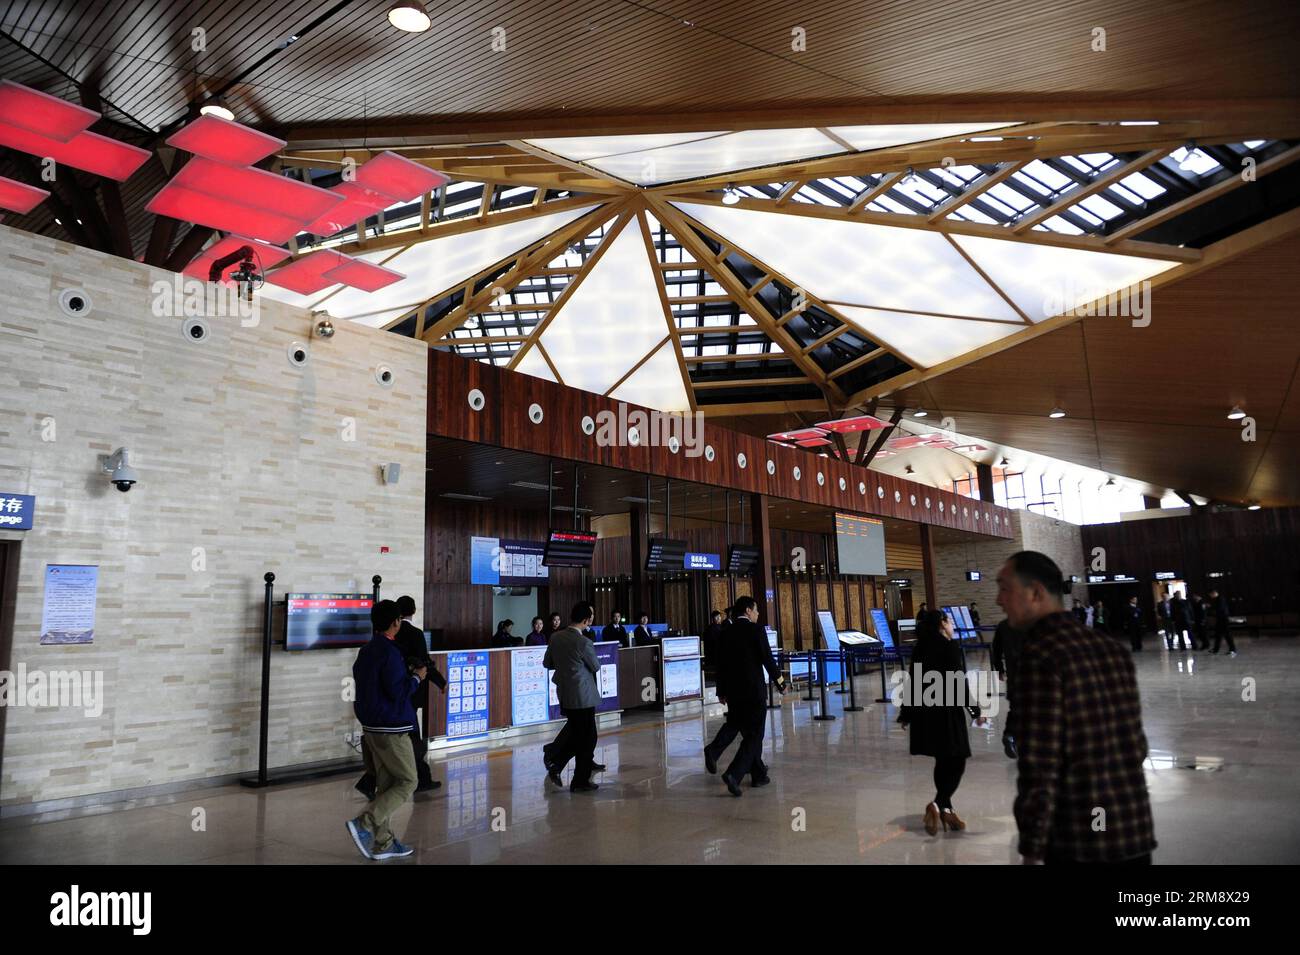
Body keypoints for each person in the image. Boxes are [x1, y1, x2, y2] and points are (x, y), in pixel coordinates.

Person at [996, 551, 1155, 865]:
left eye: (1004, 588)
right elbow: (1136, 746)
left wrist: (1031, 849)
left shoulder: (1041, 657)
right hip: (1133, 831)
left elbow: (1041, 767)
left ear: (1036, 593)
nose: (999, 599)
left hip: (1078, 842)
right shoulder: (1111, 650)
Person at [346, 599, 424, 860]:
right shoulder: (390, 652)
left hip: (371, 728)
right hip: (392, 727)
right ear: (396, 622)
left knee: (387, 784)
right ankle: (365, 823)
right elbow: (398, 692)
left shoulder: (366, 650)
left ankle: (384, 843)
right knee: (408, 781)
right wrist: (416, 678)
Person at [899, 610, 985, 833]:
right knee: (958, 760)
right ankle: (937, 804)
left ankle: (947, 812)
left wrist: (906, 714)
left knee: (943, 760)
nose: (952, 625)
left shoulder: (920, 647)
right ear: (941, 624)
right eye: (950, 621)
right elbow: (958, 682)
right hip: (947, 713)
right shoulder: (949, 647)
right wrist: (975, 711)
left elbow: (914, 682)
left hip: (925, 713)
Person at [356, 595, 444, 798]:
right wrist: (428, 680)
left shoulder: (369, 647)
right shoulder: (397, 644)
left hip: (373, 712)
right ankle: (420, 779)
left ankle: (371, 787)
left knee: (386, 758)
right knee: (410, 761)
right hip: (400, 706)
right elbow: (423, 665)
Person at [704, 595, 786, 797]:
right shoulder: (756, 630)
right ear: (748, 611)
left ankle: (755, 773)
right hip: (753, 691)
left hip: (733, 692)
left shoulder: (725, 631)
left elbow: (720, 664)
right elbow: (767, 658)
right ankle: (734, 773)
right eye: (756, 610)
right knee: (755, 735)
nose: (758, 614)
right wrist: (781, 682)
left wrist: (721, 691)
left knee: (735, 724)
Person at [542, 602, 602, 792]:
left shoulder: (555, 637)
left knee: (580, 735)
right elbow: (595, 666)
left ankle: (556, 763)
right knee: (586, 738)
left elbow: (547, 663)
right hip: (582, 695)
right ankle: (579, 780)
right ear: (586, 620)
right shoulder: (583, 642)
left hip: (565, 693)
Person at [990, 616, 1025, 759]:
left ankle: (1011, 735)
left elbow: (996, 649)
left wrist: (999, 669)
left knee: (1016, 706)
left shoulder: (1003, 625)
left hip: (1013, 673)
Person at [1209, 590, 1237, 656]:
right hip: (1220, 620)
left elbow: (1220, 609)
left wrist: (1211, 610)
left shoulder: (1220, 599)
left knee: (1228, 636)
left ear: (1214, 593)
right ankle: (1215, 650)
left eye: (1211, 595)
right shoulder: (1217, 600)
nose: (1210, 596)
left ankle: (1233, 650)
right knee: (1218, 635)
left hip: (1224, 620)